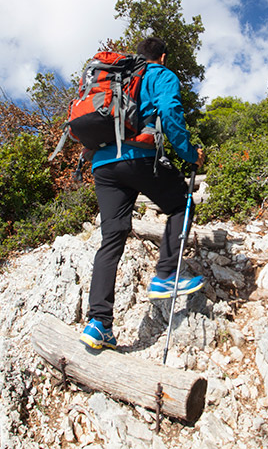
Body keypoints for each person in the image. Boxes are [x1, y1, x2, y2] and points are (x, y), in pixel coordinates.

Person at [81, 36, 206, 350]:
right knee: (182, 203)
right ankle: (165, 274)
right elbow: (170, 111)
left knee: (112, 239)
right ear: (162, 56)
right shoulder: (159, 74)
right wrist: (190, 153)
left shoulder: (118, 78)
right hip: (136, 156)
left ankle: (99, 324)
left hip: (102, 166)